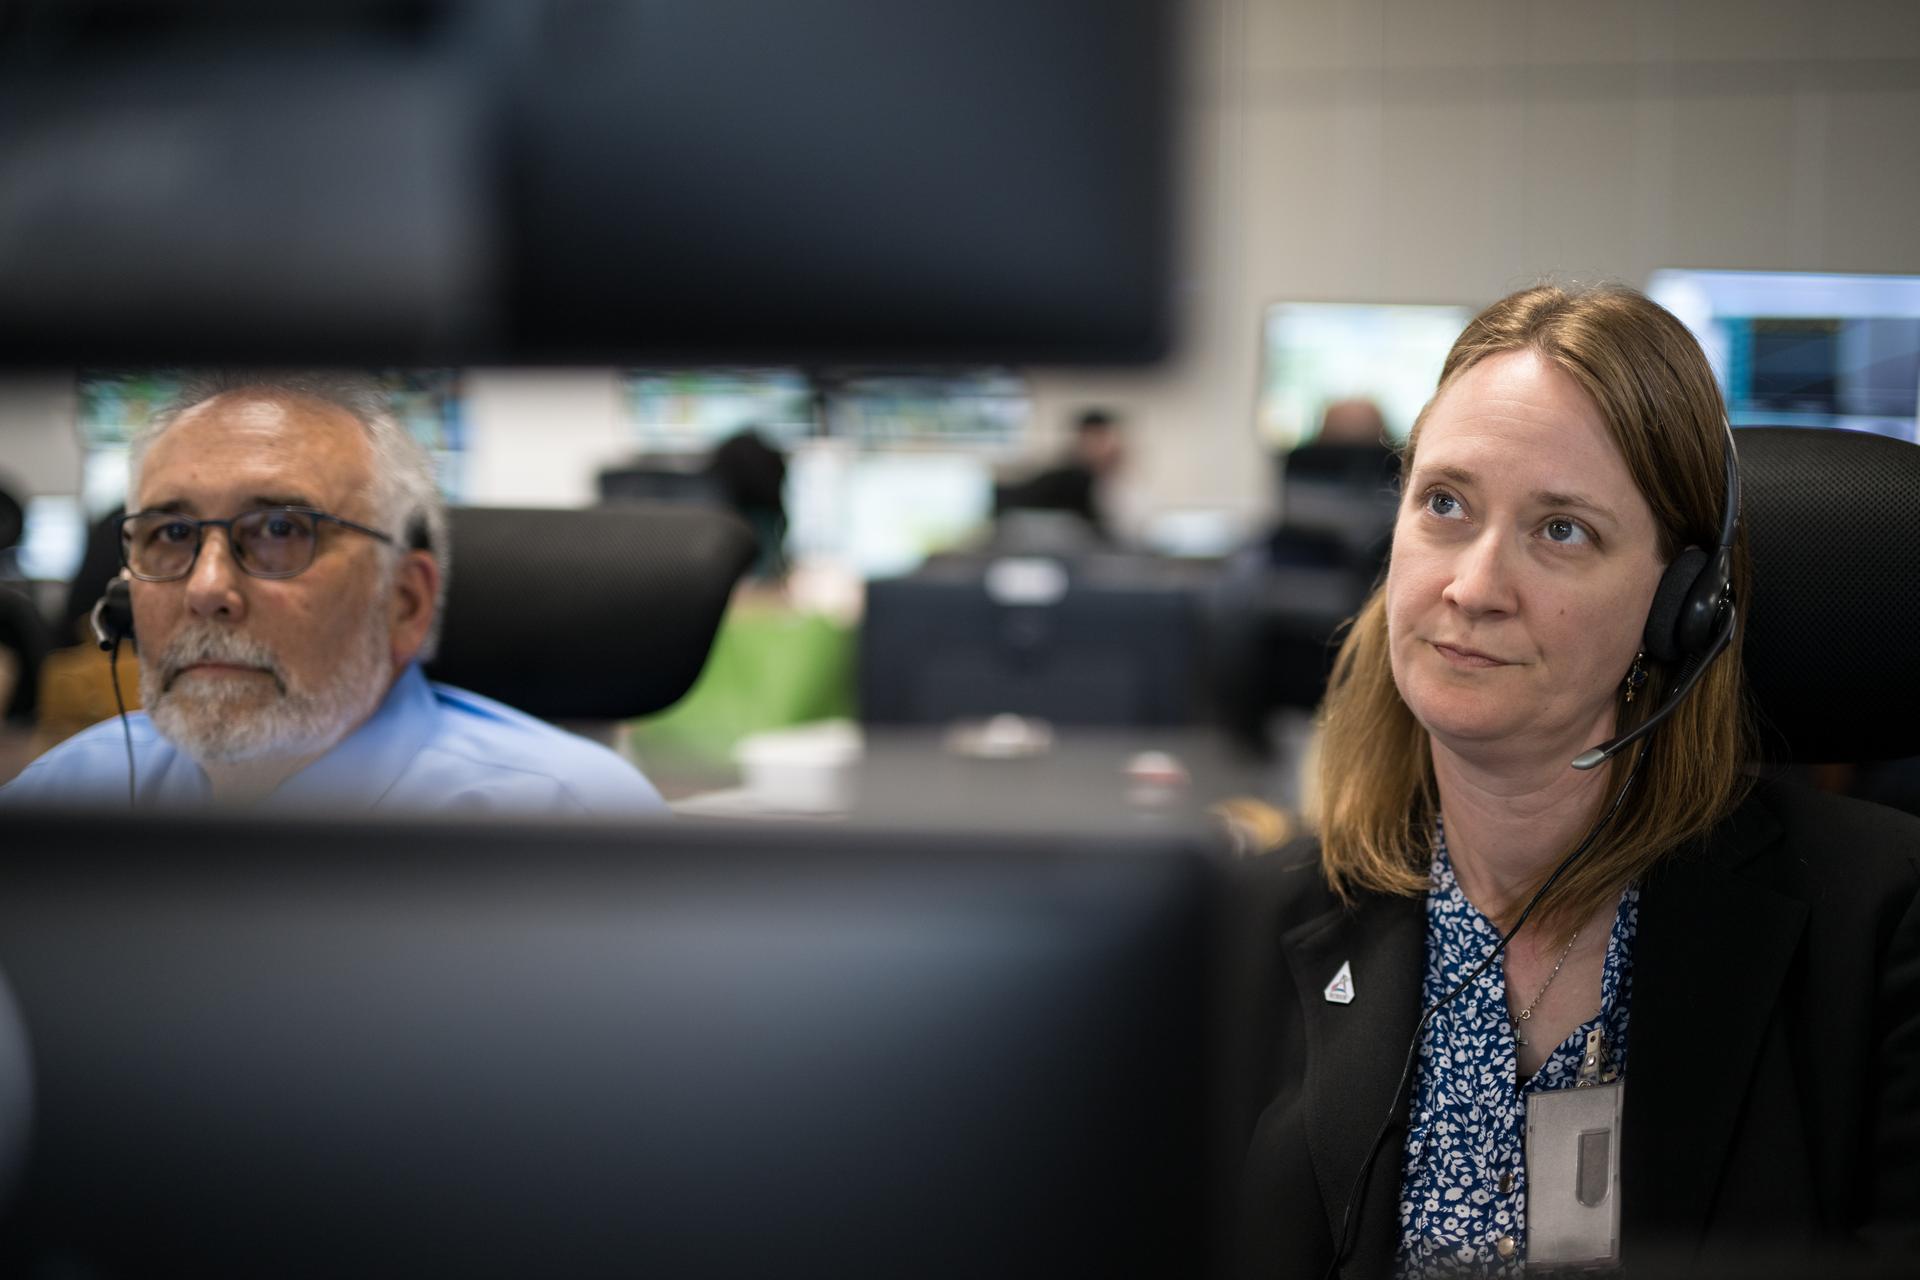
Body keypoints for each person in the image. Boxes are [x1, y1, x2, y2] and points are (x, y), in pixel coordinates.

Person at [1231, 285, 1919, 1276]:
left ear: (1682, 601)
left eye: (1562, 529)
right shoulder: (1251, 925)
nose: (1471, 586)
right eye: (1446, 504)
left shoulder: (1886, 922)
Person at [0, 372, 665, 815]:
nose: (206, 588)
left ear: (403, 603)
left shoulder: (564, 816)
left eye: (282, 530)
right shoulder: (67, 795)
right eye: (171, 533)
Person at [993, 407, 1126, 540]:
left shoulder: (1086, 476)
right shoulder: (1074, 478)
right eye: (1101, 438)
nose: (1108, 447)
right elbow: (1095, 526)